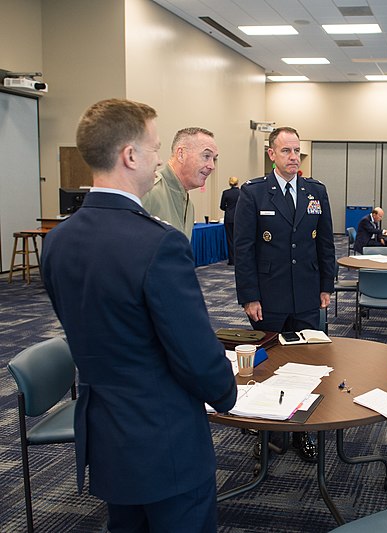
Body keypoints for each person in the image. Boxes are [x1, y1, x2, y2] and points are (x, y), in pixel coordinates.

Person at [40, 99, 237, 532]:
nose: (158, 161)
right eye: (155, 148)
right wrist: (227, 392)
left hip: (106, 438)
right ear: (130, 156)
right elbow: (194, 353)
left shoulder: (57, 242)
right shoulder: (158, 244)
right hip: (165, 439)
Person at [234, 126, 335, 462]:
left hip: (306, 293)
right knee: (267, 367)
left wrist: (326, 285)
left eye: (297, 152)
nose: (294, 157)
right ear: (272, 154)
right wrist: (249, 295)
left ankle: (300, 435)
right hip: (268, 296)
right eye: (287, 151)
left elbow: (325, 243)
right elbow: (244, 249)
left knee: (306, 365)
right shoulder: (254, 193)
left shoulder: (315, 191)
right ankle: (266, 436)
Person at [142, 127, 219, 240]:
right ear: (181, 154)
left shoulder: (189, 205)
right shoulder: (148, 191)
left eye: (213, 159)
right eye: (206, 156)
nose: (212, 166)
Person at [220, 176, 240, 265]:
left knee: (230, 239)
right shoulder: (241, 193)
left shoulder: (226, 193)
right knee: (239, 238)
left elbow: (222, 206)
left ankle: (232, 260)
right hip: (239, 218)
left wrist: (228, 209)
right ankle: (239, 258)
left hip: (228, 218)